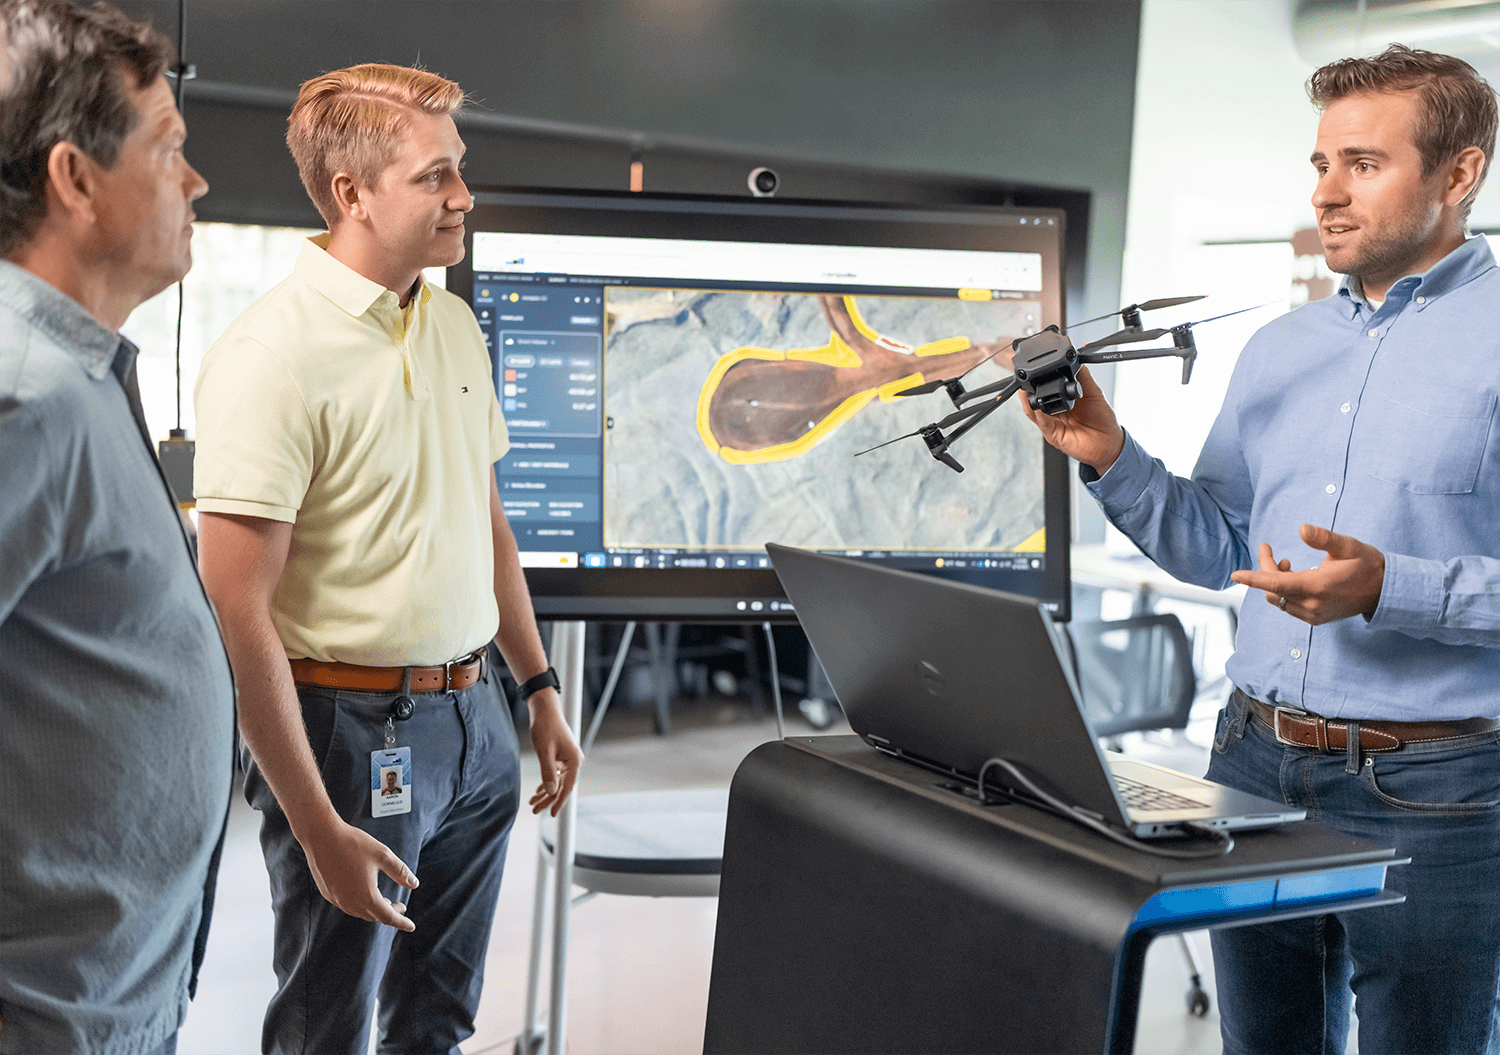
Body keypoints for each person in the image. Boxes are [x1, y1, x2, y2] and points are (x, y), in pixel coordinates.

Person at [1022, 44, 1498, 1055]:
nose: (1326, 193)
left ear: (1461, 174)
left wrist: (1390, 587)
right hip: (1249, 762)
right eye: (1320, 164)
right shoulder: (1280, 349)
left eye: (1362, 163)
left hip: (1438, 789)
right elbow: (1220, 545)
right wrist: (1110, 454)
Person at [193, 63, 583, 1055]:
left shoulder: (450, 321)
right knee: (329, 1023)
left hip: (478, 719)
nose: (463, 195)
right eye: (436, 175)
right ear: (352, 194)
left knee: (440, 1018)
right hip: (350, 733)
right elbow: (236, 610)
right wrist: (315, 820)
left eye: (462, 169)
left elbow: (484, 517)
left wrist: (535, 687)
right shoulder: (270, 352)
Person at [0, 1, 233, 1051]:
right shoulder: (27, 395)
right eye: (170, 147)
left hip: (113, 997)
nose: (196, 181)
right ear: (75, 179)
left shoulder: (85, 373)